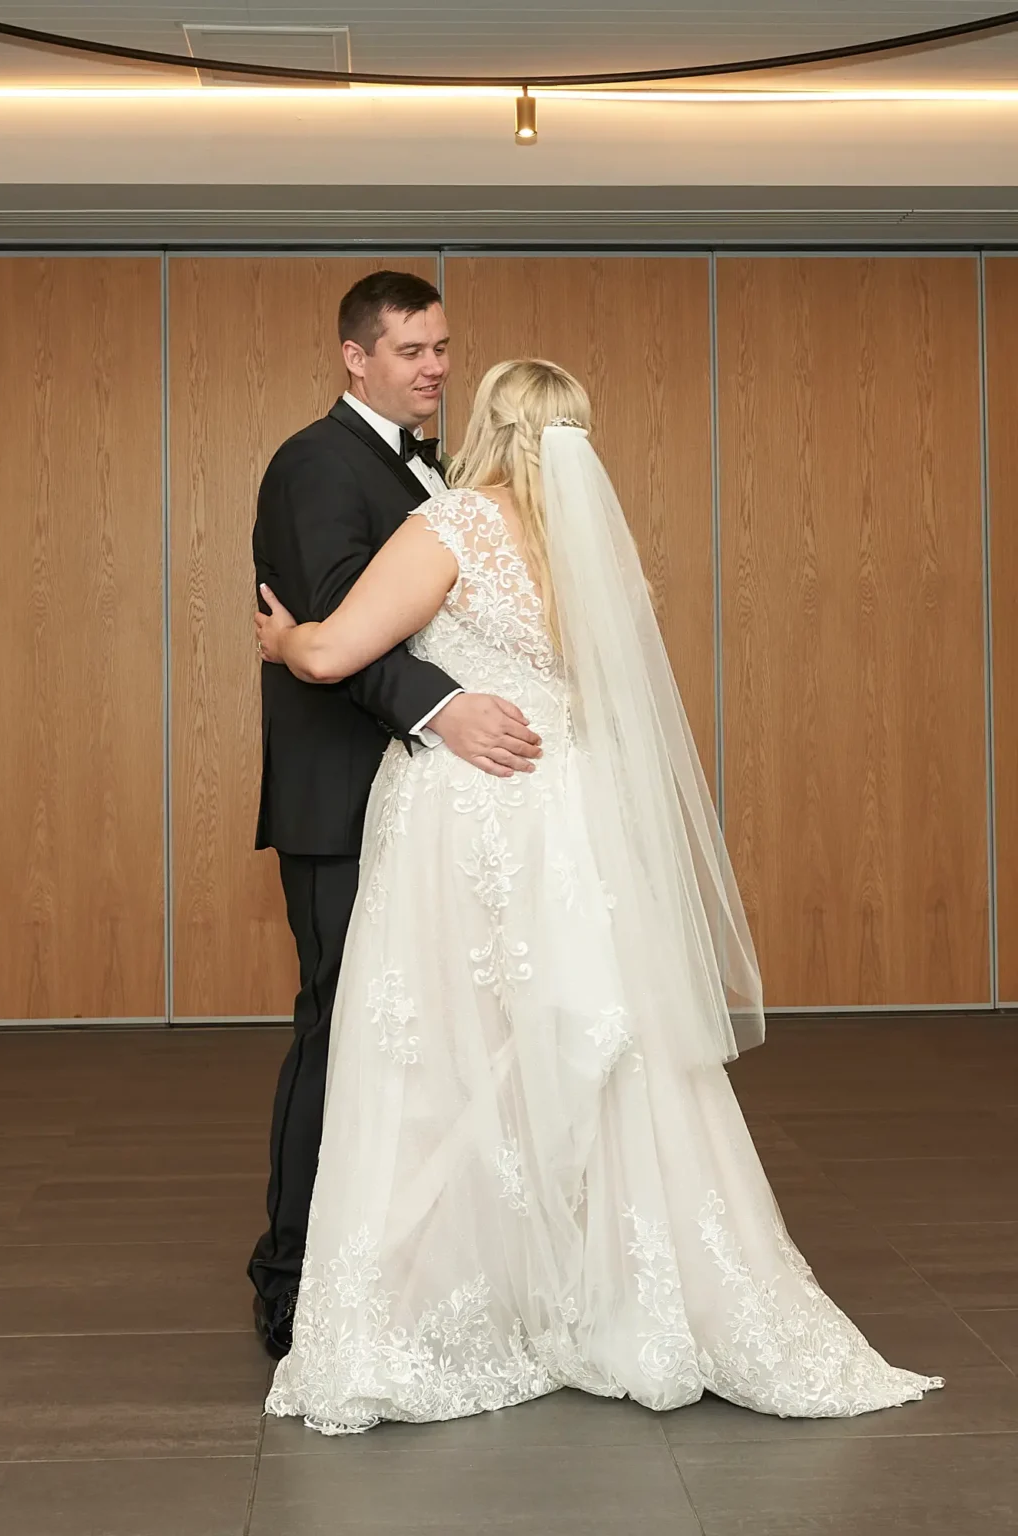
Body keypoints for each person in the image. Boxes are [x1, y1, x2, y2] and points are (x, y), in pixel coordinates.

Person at [254, 358, 943, 1431]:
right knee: (586, 1040)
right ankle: (610, 1287)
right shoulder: (597, 550)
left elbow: (340, 646)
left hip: (470, 816)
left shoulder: (454, 527)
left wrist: (288, 637)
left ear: (487, 423)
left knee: (447, 1043)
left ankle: (464, 1296)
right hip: (570, 814)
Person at [248, 273, 541, 1360]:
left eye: (445, 347)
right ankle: (288, 1277)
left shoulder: (441, 468)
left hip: (428, 807)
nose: (436, 367)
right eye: (413, 350)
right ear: (353, 357)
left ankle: (409, 1265)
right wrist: (447, 710)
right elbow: (329, 626)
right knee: (337, 1030)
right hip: (341, 799)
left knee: (422, 1045)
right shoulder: (316, 463)